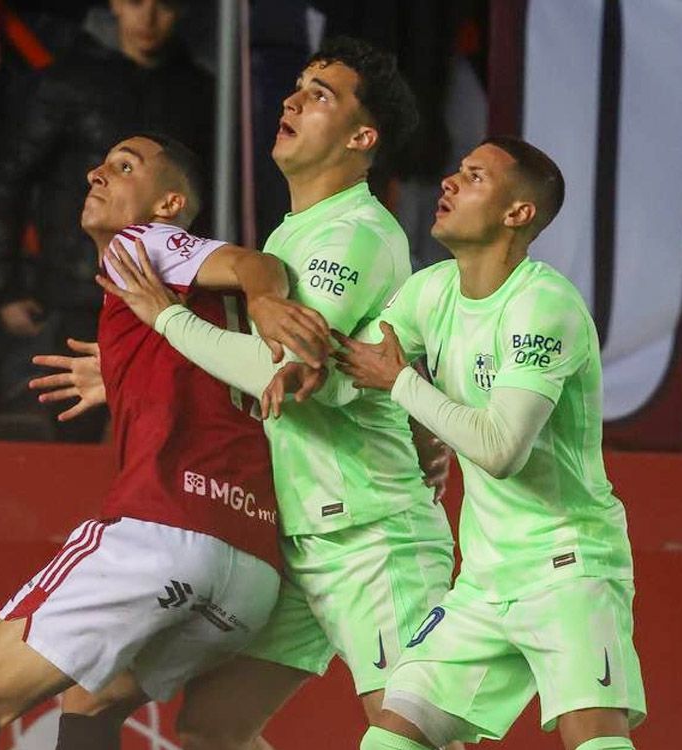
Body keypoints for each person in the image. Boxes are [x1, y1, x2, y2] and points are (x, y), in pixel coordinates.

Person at [85, 36, 462, 750]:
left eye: (320, 94)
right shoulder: (290, 237)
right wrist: (116, 373)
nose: (291, 100)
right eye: (296, 86)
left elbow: (277, 373)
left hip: (370, 536)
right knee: (209, 731)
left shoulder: (355, 233)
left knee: (415, 733)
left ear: (361, 137)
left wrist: (160, 318)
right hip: (296, 540)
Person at [0, 133, 332, 750]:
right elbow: (208, 379)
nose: (96, 174)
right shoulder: (196, 311)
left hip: (162, 532)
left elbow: (257, 265)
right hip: (250, 572)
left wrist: (268, 295)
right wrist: (120, 375)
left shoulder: (137, 245)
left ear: (168, 204)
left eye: (123, 167)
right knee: (92, 700)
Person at [259, 137, 648, 750]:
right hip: (485, 580)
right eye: (456, 171)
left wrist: (403, 385)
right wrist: (301, 360)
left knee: (594, 741)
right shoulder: (432, 290)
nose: (448, 182)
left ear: (517, 214)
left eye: (473, 177)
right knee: (391, 740)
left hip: (567, 564)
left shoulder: (543, 306)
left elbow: (500, 449)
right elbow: (362, 362)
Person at [0, 0, 213, 442]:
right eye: (138, 3)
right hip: (77, 291)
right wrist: (2, 285)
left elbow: (209, 197)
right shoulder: (69, 80)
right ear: (116, 5)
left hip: (165, 295)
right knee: (67, 435)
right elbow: (10, 178)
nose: (148, 19)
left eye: (163, 7)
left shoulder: (198, 90)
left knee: (156, 437)